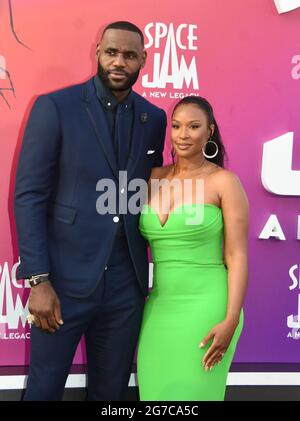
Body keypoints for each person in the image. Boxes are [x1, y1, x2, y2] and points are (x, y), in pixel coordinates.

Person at [14, 21, 166, 401]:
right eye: (112, 52)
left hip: (125, 288)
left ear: (143, 61)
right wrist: (39, 280)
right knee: (44, 390)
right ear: (97, 51)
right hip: (62, 284)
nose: (119, 61)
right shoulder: (55, 107)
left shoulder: (155, 118)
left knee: (111, 393)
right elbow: (29, 195)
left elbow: (146, 191)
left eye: (129, 55)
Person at [137, 96, 248, 401]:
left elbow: (236, 255)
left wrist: (231, 319)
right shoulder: (153, 178)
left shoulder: (224, 182)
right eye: (176, 126)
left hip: (208, 307)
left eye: (193, 126)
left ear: (209, 132)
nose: (183, 134)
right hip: (158, 309)